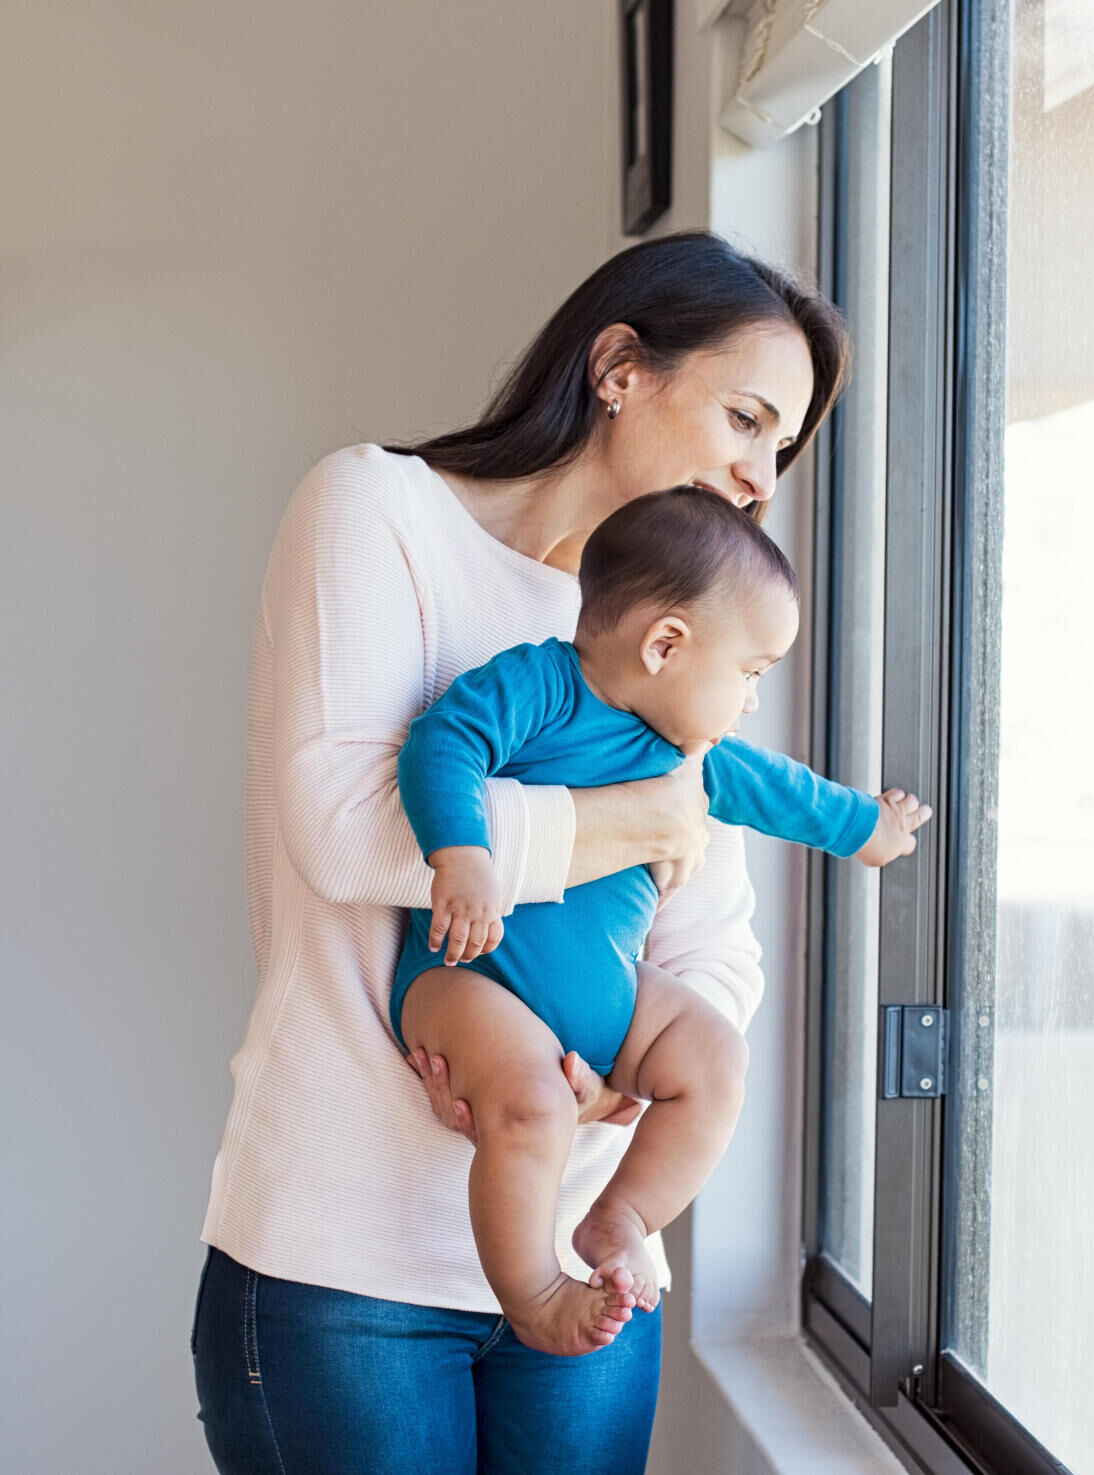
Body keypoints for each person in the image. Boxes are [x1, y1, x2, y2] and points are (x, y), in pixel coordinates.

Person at [193, 230, 854, 1475]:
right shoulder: (374, 509)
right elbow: (343, 824)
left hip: (593, 1259)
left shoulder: (672, 627)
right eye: (747, 418)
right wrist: (637, 823)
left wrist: (622, 1067)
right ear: (620, 368)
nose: (762, 477)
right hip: (346, 1257)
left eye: (782, 448)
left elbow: (711, 943)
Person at [392, 486, 931, 1357]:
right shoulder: (540, 685)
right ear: (667, 644)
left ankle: (619, 1216)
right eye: (750, 673)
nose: (752, 700)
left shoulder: (689, 755)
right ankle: (532, 1293)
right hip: (471, 976)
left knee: (717, 1057)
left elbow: (784, 790)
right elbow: (442, 743)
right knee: (530, 1103)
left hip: (607, 998)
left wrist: (870, 827)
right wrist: (464, 854)